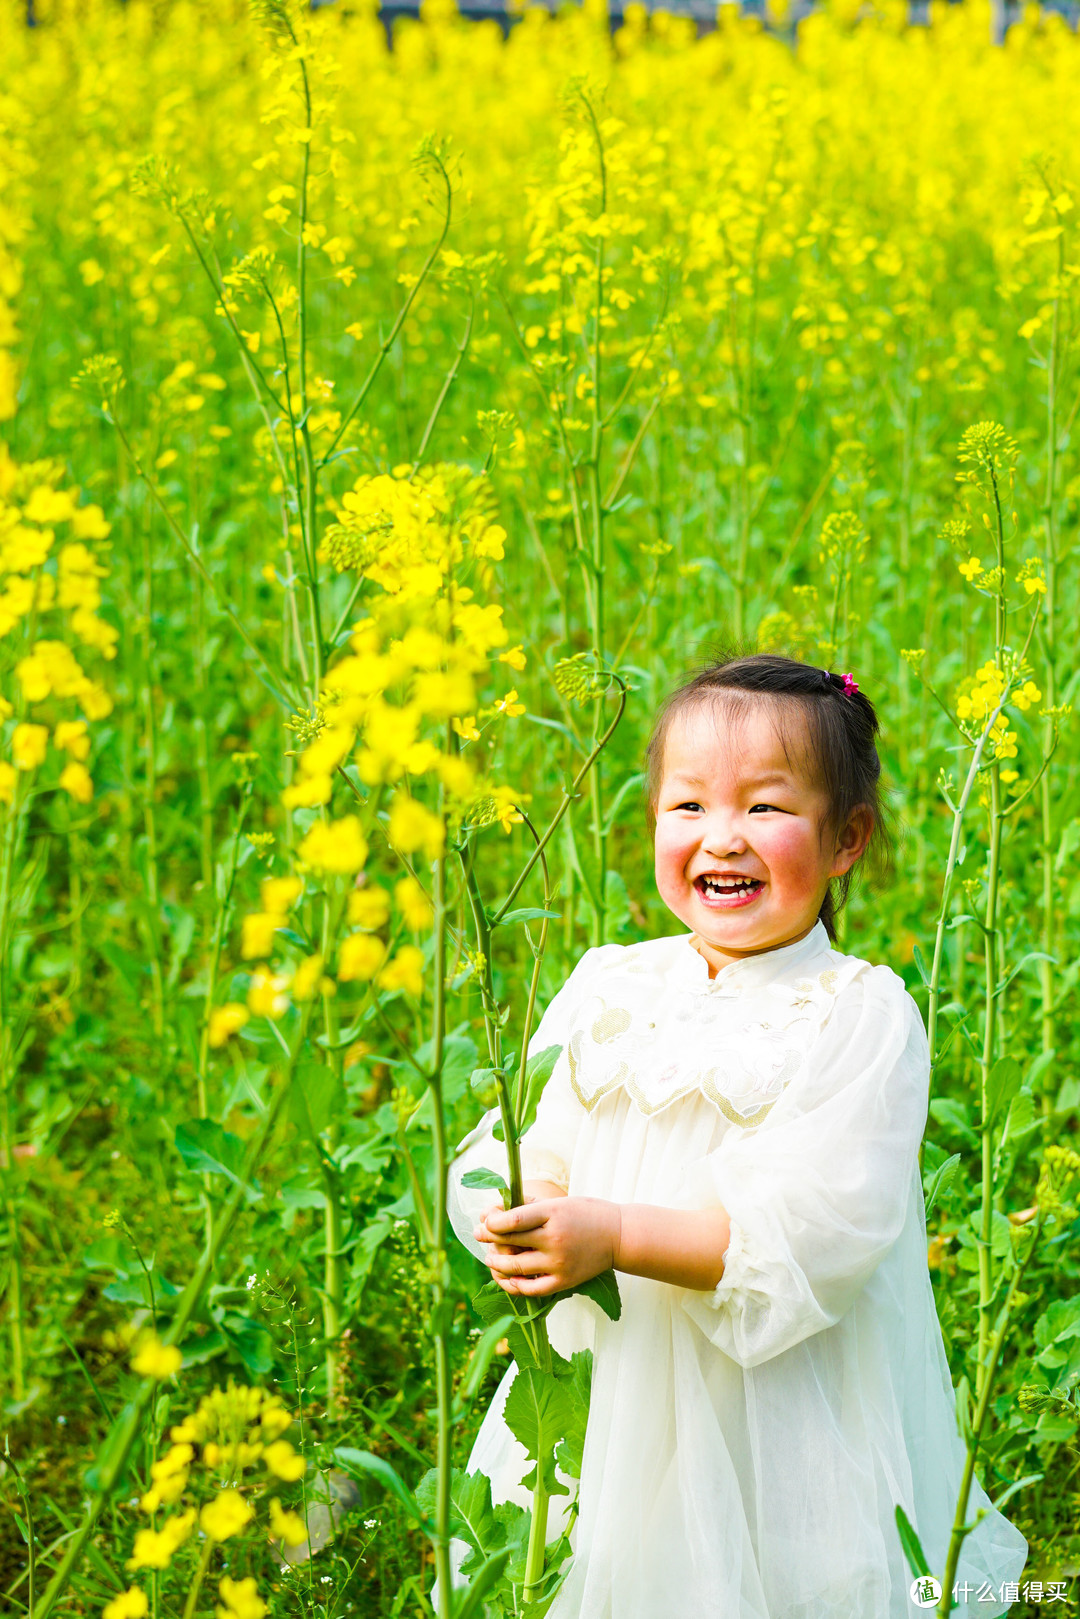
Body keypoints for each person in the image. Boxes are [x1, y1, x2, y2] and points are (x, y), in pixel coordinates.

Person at [448, 653, 1028, 1618]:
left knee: (759, 1575)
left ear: (847, 839)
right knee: (593, 1556)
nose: (723, 838)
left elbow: (815, 1231)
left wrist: (616, 1235)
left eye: (764, 808)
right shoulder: (609, 980)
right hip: (602, 1385)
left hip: (776, 1407)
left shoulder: (859, 1012)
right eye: (688, 807)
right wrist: (521, 1203)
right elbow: (518, 1132)